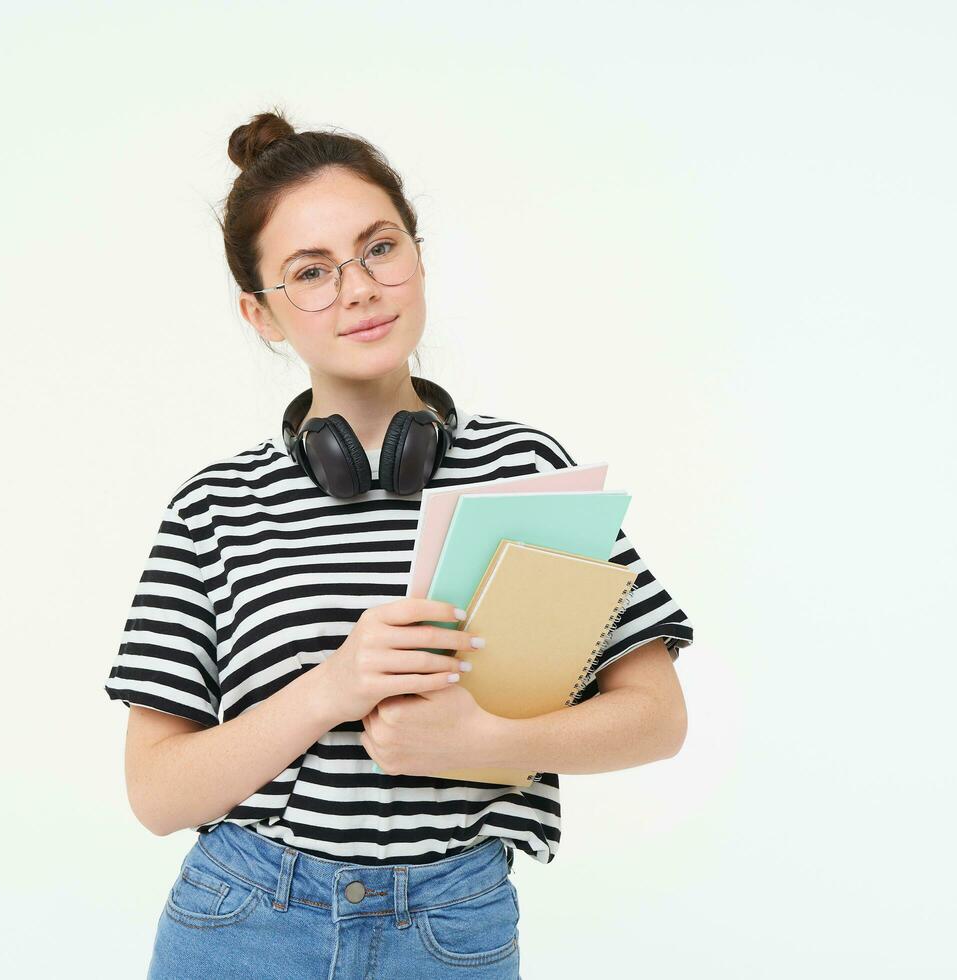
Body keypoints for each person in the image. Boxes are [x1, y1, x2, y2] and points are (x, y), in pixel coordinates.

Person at [105, 108, 695, 979]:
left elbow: (657, 717)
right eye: (310, 272)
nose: (357, 288)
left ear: (418, 255)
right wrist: (329, 689)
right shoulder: (214, 505)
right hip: (245, 920)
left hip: (452, 924)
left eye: (379, 247)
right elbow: (157, 796)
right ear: (260, 313)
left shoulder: (525, 470)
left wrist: (479, 740)